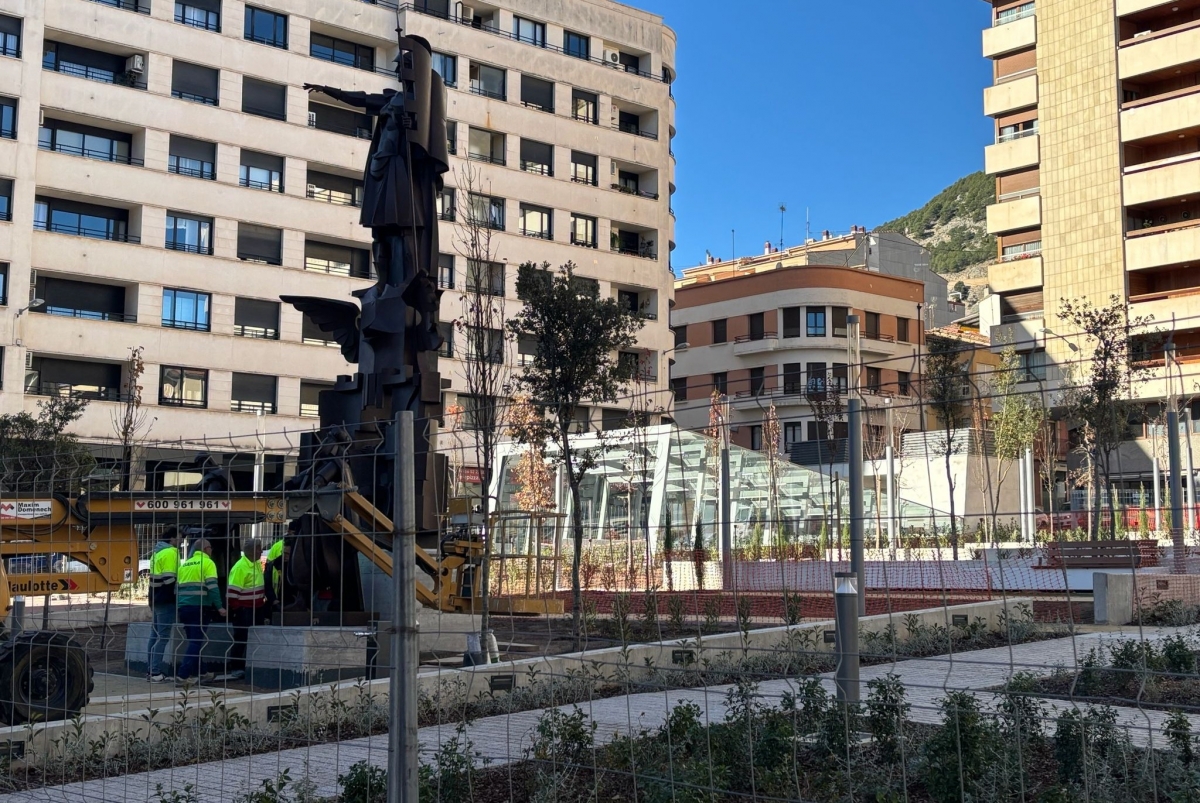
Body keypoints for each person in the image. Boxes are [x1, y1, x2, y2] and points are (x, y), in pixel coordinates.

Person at [175, 538, 226, 682]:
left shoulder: (185, 565)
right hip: (200, 608)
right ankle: (182, 675)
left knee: (193, 640)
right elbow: (213, 587)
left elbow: (177, 589)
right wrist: (220, 607)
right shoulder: (208, 563)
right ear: (205, 549)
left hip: (184, 608)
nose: (211, 550)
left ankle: (202, 672)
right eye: (210, 548)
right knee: (196, 641)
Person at [217, 538, 265, 682]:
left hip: (256, 609)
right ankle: (236, 667)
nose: (261, 551)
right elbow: (232, 594)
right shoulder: (240, 567)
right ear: (251, 551)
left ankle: (248, 665)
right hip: (244, 610)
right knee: (241, 638)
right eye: (259, 548)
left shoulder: (255, 564)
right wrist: (238, 609)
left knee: (252, 638)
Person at [146, 527, 182, 683]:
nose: (181, 541)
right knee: (163, 637)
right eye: (180, 538)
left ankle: (151, 670)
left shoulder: (157, 552)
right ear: (172, 539)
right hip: (166, 600)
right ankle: (155, 672)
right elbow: (169, 579)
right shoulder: (171, 553)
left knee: (154, 636)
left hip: (155, 599)